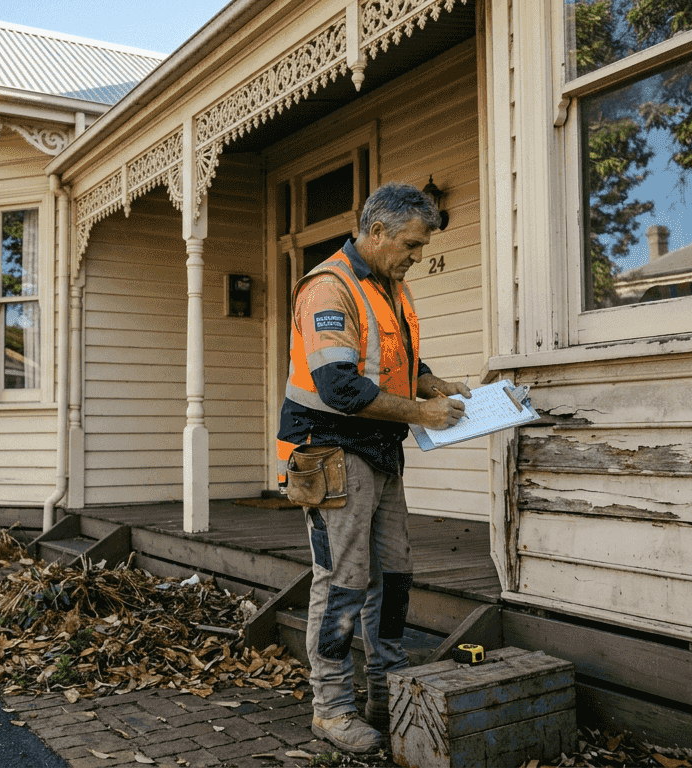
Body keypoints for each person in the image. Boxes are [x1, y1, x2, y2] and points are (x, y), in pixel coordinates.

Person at [276, 182, 471, 753]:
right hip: (333, 450)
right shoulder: (328, 288)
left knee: (393, 577)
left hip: (380, 451)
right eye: (410, 244)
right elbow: (338, 384)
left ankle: (385, 691)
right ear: (377, 231)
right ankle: (331, 709)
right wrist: (423, 412)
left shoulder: (387, 284)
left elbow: (394, 354)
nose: (416, 256)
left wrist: (428, 380)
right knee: (341, 583)